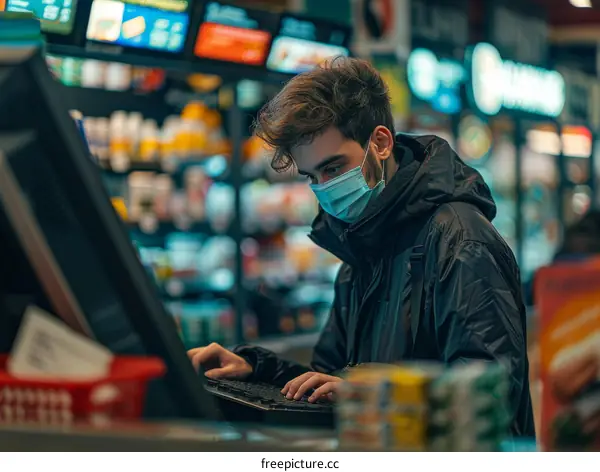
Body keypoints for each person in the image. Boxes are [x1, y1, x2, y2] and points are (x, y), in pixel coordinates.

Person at [188, 57, 534, 437]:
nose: (323, 188)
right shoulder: (360, 248)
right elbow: (326, 380)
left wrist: (371, 397)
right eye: (312, 176)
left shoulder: (460, 238)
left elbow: (490, 394)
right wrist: (255, 368)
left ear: (380, 143)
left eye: (334, 169)